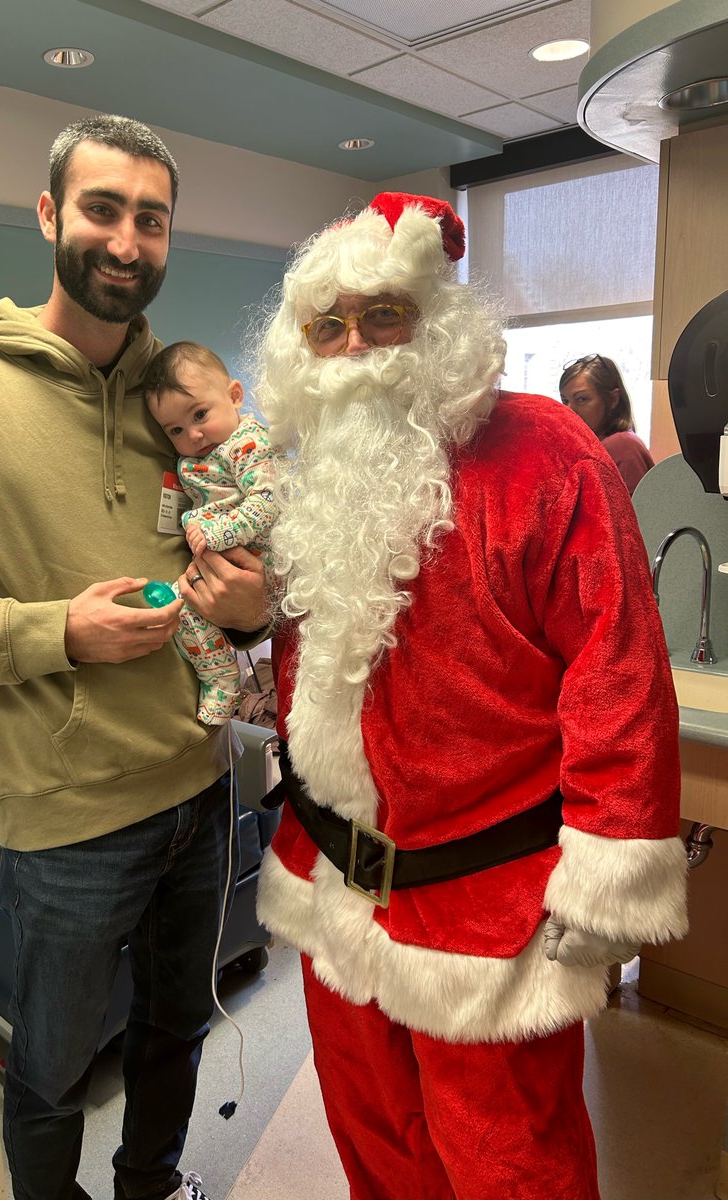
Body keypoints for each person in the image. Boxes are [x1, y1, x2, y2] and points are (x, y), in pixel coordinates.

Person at [0, 115, 267, 1200]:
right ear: (47, 215)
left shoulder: (182, 401)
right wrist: (55, 633)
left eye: (151, 218)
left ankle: (153, 1185)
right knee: (47, 1075)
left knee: (174, 1033)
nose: (126, 240)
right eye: (101, 209)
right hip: (68, 819)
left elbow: (243, 551)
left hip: (201, 783)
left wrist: (255, 611)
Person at [253, 192, 688, 1200]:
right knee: (379, 1152)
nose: (357, 346)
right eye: (330, 326)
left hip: (489, 919)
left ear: (436, 319)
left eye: (383, 316)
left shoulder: (543, 452)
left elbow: (617, 670)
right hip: (333, 893)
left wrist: (606, 870)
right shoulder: (314, 475)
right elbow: (312, 667)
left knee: (508, 1170)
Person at [143, 341, 276, 724]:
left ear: (235, 396)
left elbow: (268, 501)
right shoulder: (194, 460)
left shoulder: (247, 444)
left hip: (253, 553)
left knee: (188, 604)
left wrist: (217, 531)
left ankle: (224, 680)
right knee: (181, 610)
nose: (194, 435)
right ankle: (220, 679)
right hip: (214, 557)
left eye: (200, 414)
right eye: (177, 429)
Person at [559, 353, 655, 494]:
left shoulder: (621, 446)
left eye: (581, 399)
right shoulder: (596, 446)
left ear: (612, 399)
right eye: (565, 401)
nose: (569, 410)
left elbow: (631, 514)